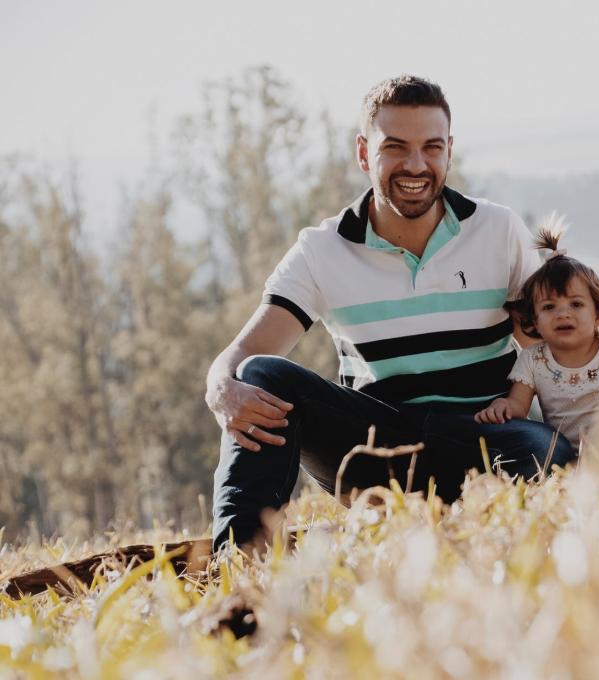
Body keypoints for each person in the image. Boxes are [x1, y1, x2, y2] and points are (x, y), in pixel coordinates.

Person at [205, 75, 574, 551]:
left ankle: (471, 527)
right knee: (258, 375)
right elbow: (242, 358)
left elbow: (554, 354)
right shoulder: (322, 249)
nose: (416, 165)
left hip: (485, 439)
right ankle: (237, 556)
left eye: (432, 147)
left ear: (449, 151)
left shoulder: (498, 230)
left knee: (549, 454)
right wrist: (219, 387)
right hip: (376, 447)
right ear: (364, 153)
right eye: (395, 147)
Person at [475, 222, 599, 451]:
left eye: (576, 304)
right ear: (535, 321)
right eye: (549, 307)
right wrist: (504, 406)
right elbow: (518, 405)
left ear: (598, 314)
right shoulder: (533, 360)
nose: (563, 314)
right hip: (565, 457)